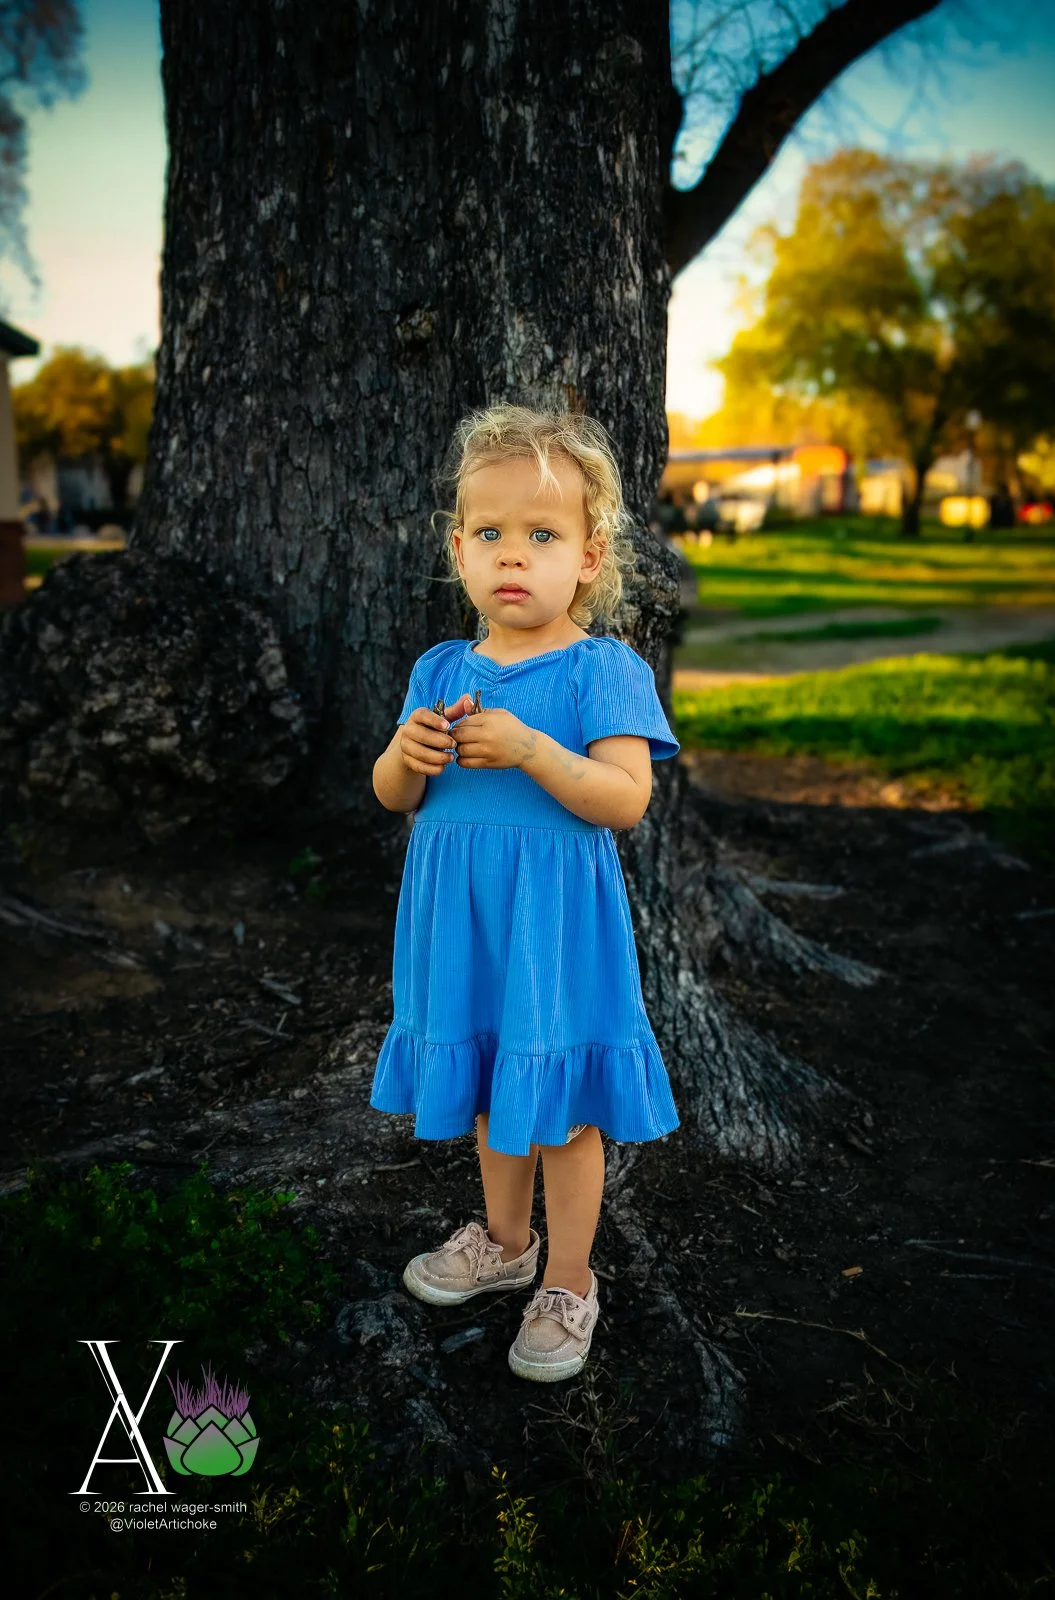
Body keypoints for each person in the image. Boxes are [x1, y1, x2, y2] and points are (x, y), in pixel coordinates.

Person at [369, 402, 681, 1383]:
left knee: (562, 1111)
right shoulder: (439, 668)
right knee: (485, 1089)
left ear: (588, 557)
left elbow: (624, 799)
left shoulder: (601, 668)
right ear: (458, 548)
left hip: (551, 924)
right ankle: (506, 1242)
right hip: (460, 923)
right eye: (491, 534)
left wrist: (534, 750)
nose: (513, 555)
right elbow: (394, 795)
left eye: (540, 535)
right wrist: (401, 752)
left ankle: (571, 1279)